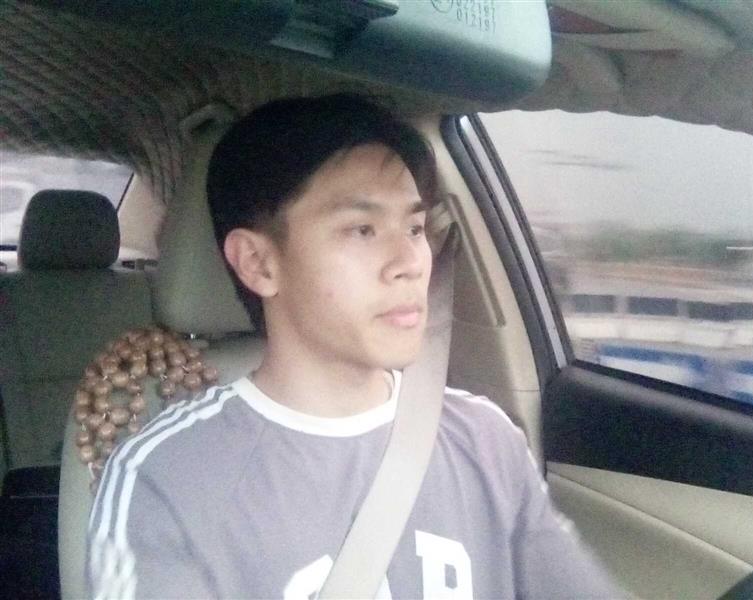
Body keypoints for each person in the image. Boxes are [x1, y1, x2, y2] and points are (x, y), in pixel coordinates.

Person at [87, 94, 620, 599]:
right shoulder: (167, 479)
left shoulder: (486, 441)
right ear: (259, 263)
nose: (410, 262)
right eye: (362, 230)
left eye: (415, 228)